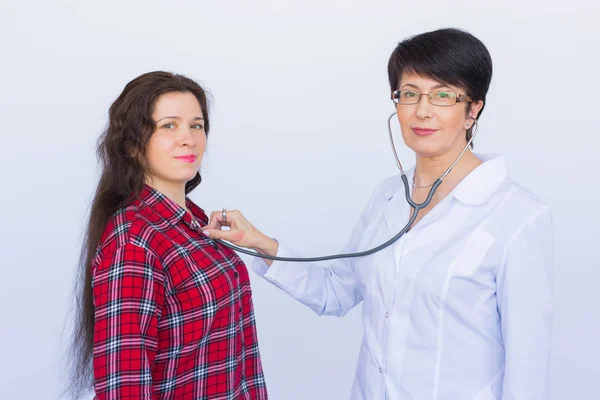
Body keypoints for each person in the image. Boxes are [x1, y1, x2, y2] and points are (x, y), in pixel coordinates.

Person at [203, 28, 554, 399]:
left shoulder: (518, 216)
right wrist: (260, 243)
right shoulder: (388, 196)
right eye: (409, 93)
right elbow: (337, 292)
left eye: (443, 95)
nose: (422, 110)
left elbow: (527, 367)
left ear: (473, 109)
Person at [68, 71, 268, 399]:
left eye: (196, 125)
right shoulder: (133, 241)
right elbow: (124, 385)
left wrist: (261, 243)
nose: (188, 138)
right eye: (169, 126)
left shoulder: (197, 222)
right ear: (133, 144)